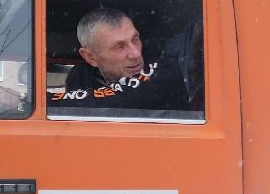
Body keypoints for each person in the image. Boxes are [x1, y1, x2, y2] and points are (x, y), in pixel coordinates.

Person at [50, 7, 196, 114]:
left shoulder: (163, 67)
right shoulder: (79, 76)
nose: (135, 54)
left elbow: (120, 102)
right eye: (119, 47)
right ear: (91, 57)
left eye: (135, 39)